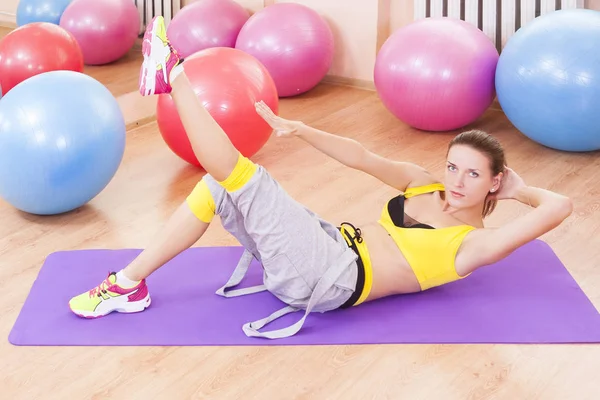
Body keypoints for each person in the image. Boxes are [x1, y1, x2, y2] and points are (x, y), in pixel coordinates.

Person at [68, 16, 573, 339]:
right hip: (326, 243)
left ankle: (173, 73)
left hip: (329, 279)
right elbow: (361, 156)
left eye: (472, 175)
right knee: (218, 186)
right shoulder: (426, 185)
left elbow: (560, 208)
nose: (456, 181)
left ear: (492, 181)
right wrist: (301, 128)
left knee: (248, 177)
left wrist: (519, 190)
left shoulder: (471, 246)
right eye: (452, 166)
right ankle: (129, 285)